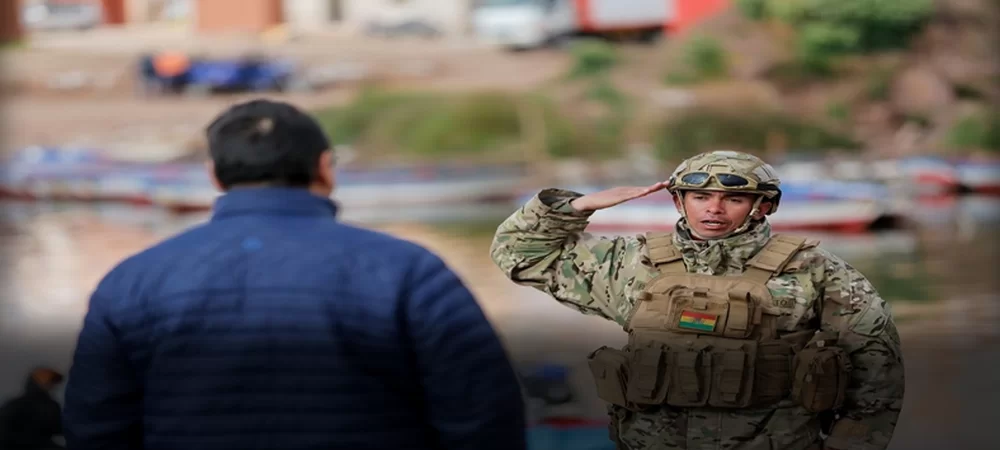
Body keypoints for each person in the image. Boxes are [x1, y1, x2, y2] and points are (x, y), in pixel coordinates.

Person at [62, 99, 527, 450]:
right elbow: (485, 419)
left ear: (214, 176)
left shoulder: (132, 282)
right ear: (325, 167)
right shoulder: (409, 271)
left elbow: (95, 427)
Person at [490, 150, 905, 450]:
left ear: (763, 207)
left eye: (734, 199)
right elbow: (520, 255)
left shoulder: (814, 269)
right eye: (700, 197)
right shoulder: (631, 262)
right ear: (679, 201)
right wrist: (574, 207)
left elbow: (876, 367)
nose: (715, 210)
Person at [0, 367, 65, 450]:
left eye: (53, 382)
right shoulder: (46, 406)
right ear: (37, 383)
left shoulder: (13, 404)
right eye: (50, 381)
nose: (53, 385)